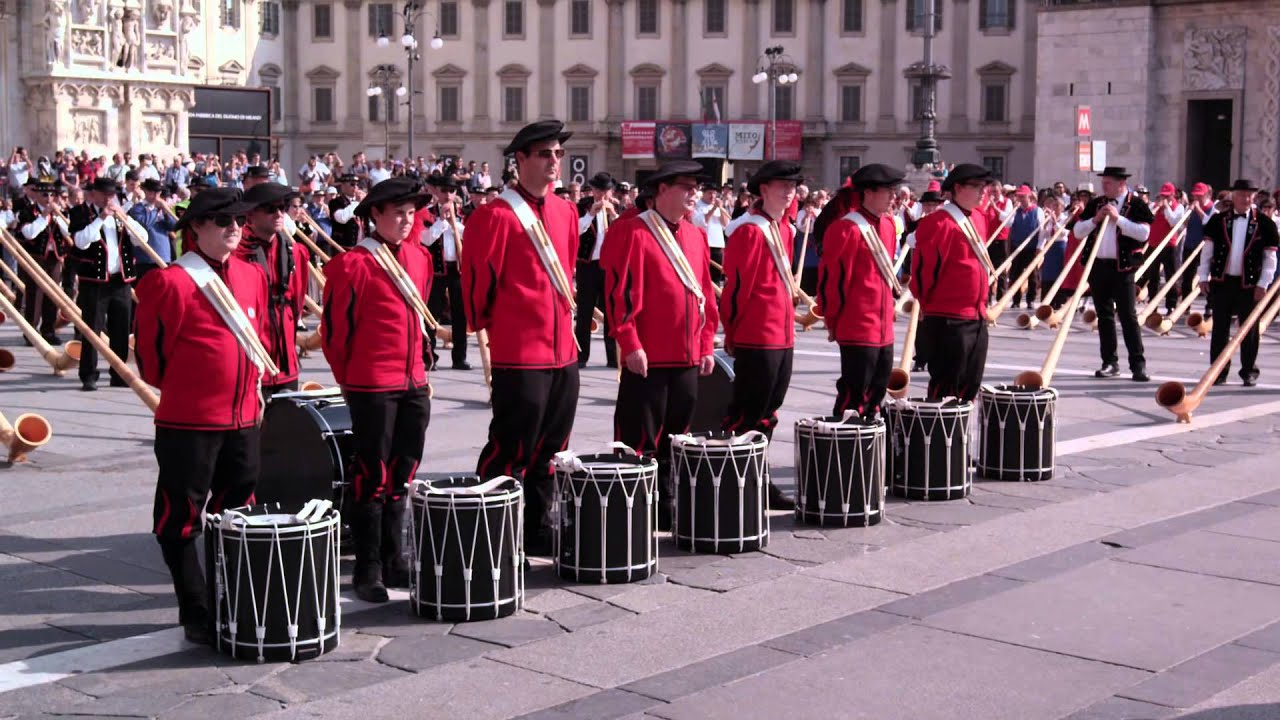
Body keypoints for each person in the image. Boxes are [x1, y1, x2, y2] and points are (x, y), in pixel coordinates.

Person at [134, 187, 269, 645]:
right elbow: (152, 363)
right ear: (195, 228)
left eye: (238, 221)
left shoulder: (253, 276)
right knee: (180, 519)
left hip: (244, 419)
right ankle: (194, 608)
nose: (234, 228)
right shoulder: (168, 282)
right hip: (190, 423)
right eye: (221, 221)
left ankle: (232, 598)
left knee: (237, 515)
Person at [461, 120, 580, 556]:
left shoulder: (567, 212)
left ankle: (536, 529)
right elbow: (477, 282)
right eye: (545, 154)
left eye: (558, 155)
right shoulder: (494, 216)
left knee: (552, 447)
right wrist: (497, 327)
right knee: (510, 449)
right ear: (521, 160)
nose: (554, 162)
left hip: (563, 352)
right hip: (520, 351)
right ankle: (493, 531)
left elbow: (566, 273)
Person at [321, 176, 433, 602]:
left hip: (413, 380)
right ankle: (367, 567)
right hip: (372, 382)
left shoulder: (420, 259)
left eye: (410, 213)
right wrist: (351, 380)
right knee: (372, 472)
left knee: (404, 469)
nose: (405, 221)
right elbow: (335, 333)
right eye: (396, 214)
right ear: (374, 218)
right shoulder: (354, 264)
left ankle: (394, 557)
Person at [601, 160, 719, 528]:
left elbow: (705, 299)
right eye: (687, 187)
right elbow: (619, 296)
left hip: (685, 356)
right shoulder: (633, 232)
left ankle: (668, 501)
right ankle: (632, 508)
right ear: (662, 190)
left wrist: (706, 344)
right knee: (639, 439)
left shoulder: (697, 236)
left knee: (677, 436)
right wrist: (630, 343)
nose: (694, 195)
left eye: (696, 188)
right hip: (648, 357)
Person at [720, 160, 806, 510]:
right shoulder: (750, 232)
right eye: (782, 186)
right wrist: (733, 330)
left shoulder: (782, 228)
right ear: (764, 190)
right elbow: (738, 289)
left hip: (782, 336)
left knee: (770, 412)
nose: (789, 192)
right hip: (757, 336)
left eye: (792, 187)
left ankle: (759, 477)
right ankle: (734, 480)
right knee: (748, 414)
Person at [817, 163, 902, 419]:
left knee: (877, 395)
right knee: (853, 397)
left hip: (883, 327)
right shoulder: (846, 229)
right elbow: (833, 281)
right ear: (869, 192)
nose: (892, 197)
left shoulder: (887, 225)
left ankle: (868, 453)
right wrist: (833, 320)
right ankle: (845, 451)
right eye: (887, 191)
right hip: (857, 326)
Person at [910, 163, 994, 402]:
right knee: (946, 389)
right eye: (976, 187)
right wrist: (929, 307)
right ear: (958, 188)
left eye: (984, 187)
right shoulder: (937, 223)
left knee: (970, 387)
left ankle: (959, 439)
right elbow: (924, 273)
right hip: (948, 319)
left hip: (976, 316)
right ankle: (940, 440)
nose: (982, 193)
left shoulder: (978, 218)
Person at [1071, 166, 1153, 382]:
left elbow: (1144, 233)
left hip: (1123, 268)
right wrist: (1095, 219)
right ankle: (1110, 362)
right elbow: (1078, 232)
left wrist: (1119, 219)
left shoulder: (1135, 203)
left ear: (1121, 184)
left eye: (1108, 183)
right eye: (1103, 182)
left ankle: (1138, 364)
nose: (1103, 186)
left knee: (1128, 316)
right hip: (1098, 266)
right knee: (1104, 316)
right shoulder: (1096, 203)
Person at [1197, 179, 1279, 387]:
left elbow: (1270, 258)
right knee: (1220, 328)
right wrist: (1203, 276)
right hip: (1222, 281)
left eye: (1250, 195)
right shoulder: (1218, 220)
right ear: (1233, 196)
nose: (1247, 198)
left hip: (1250, 284)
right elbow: (1207, 251)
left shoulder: (1265, 223)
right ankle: (1218, 370)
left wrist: (1264, 283)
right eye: (1242, 194)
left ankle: (1249, 370)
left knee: (1249, 329)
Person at [67, 177, 146, 391]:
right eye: (106, 195)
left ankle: (119, 373)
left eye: (112, 195)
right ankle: (88, 374)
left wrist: (126, 218)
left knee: (121, 329)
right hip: (94, 282)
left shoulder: (121, 216)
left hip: (121, 280)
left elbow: (143, 239)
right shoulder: (80, 213)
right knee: (92, 329)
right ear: (94, 194)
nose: (110, 199)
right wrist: (101, 217)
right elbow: (81, 242)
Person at [235, 182, 311, 399]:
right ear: (251, 214)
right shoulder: (237, 254)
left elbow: (296, 302)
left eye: (282, 208)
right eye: (270, 209)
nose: (278, 214)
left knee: (285, 427)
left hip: (286, 360)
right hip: (254, 359)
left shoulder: (295, 253)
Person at [423, 172, 471, 370]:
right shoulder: (428, 214)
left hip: (457, 270)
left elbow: (471, 237)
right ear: (437, 192)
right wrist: (441, 222)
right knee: (432, 314)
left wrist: (456, 225)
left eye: (452, 191)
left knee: (461, 315)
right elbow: (425, 239)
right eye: (444, 191)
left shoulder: (464, 215)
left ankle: (459, 358)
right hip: (436, 270)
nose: (448, 195)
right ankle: (429, 356)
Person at [16, 177, 70, 345]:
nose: (49, 198)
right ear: (37, 195)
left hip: (54, 258)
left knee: (52, 295)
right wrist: (44, 217)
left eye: (52, 195)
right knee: (34, 295)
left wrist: (58, 217)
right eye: (45, 195)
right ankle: (31, 333)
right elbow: (29, 233)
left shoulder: (61, 212)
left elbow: (69, 232)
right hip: (36, 258)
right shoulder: (27, 211)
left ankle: (48, 331)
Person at [574, 171, 620, 369]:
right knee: (584, 312)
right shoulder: (582, 207)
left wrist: (614, 215)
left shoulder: (618, 209)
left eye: (606, 191)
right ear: (592, 190)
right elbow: (575, 231)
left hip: (609, 266)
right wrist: (590, 214)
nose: (602, 195)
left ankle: (612, 357)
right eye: (598, 190)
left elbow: (626, 234)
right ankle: (581, 356)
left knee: (611, 311)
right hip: (588, 265)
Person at [1143, 182, 1187, 314]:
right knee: (1153, 276)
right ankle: (1152, 304)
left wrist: (1167, 208)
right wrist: (1156, 208)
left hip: (1169, 245)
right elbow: (1147, 218)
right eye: (1163, 196)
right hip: (1153, 244)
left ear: (1173, 195)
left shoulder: (1178, 207)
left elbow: (1174, 222)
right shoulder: (1153, 206)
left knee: (1170, 276)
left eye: (1167, 196)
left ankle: (1170, 305)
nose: (1164, 198)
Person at [126, 178, 178, 281]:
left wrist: (166, 212)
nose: (155, 196)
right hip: (145, 258)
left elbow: (174, 226)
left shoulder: (163, 208)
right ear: (144, 191)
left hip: (164, 255)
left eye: (158, 192)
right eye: (151, 192)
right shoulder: (137, 209)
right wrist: (155, 210)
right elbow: (145, 224)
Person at [1007, 185, 1046, 308]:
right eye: (1019, 196)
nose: (1021, 199)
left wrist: (1040, 246)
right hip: (1017, 247)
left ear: (1029, 197)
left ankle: (1030, 300)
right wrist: (1012, 210)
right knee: (1015, 274)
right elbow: (1007, 223)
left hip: (1031, 247)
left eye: (1023, 196)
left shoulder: (1037, 211)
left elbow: (1042, 230)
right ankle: (1016, 300)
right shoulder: (1015, 211)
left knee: (1032, 275)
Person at [328, 174, 363, 248]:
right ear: (343, 186)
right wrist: (356, 202)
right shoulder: (335, 202)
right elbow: (342, 218)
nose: (355, 187)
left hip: (361, 245)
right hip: (343, 246)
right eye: (352, 184)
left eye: (357, 185)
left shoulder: (361, 202)